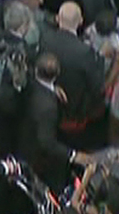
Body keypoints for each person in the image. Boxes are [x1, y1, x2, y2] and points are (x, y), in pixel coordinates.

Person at [18, 52, 89, 191]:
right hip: (36, 155)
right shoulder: (48, 108)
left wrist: (52, 89)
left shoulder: (29, 81)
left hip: (23, 133)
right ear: (57, 74)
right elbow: (46, 142)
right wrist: (73, 155)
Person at [41, 1, 107, 150]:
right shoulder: (84, 52)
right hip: (75, 114)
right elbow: (97, 86)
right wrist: (101, 57)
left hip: (50, 110)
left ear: (58, 18)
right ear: (81, 21)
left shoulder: (45, 39)